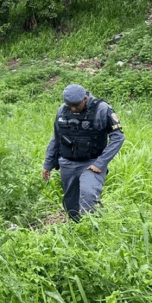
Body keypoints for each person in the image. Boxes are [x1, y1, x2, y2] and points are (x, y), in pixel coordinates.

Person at [42, 84, 124, 221]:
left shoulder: (102, 109)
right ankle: (78, 232)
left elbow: (118, 137)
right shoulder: (62, 110)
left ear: (85, 98)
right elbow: (56, 138)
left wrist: (101, 163)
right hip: (67, 163)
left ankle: (95, 229)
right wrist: (48, 163)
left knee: (89, 196)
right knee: (71, 204)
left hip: (92, 163)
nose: (73, 109)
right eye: (70, 106)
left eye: (76, 105)